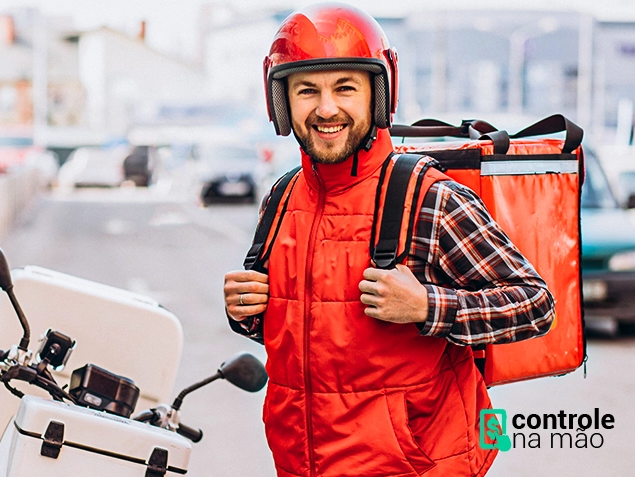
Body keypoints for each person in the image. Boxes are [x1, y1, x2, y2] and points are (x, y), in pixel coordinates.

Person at [223, 4, 554, 477]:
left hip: (416, 466)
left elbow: (536, 304)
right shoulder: (281, 197)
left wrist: (426, 307)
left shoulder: (430, 199)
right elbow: (310, 337)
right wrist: (248, 313)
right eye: (306, 90)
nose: (326, 108)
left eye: (345, 88)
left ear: (379, 93)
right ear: (281, 101)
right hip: (301, 465)